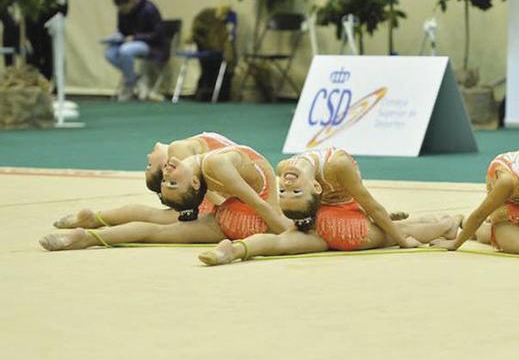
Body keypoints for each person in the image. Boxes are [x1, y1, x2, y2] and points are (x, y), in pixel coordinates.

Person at [197, 147, 451, 266]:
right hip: (330, 225)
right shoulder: (302, 167)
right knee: (281, 244)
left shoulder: (331, 165)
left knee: (402, 227)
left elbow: (371, 207)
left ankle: (450, 222)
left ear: (318, 188)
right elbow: (373, 210)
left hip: (351, 222)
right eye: (287, 191)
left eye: (291, 191)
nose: (286, 184)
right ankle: (231, 252)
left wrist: (400, 239)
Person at [39, 145, 290, 251]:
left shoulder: (206, 163)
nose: (166, 174)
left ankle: (93, 228)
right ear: (194, 183)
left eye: (167, 181)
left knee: (158, 226)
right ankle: (87, 237)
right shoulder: (208, 164)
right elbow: (257, 202)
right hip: (241, 220)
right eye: (170, 182)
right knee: (155, 229)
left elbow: (254, 203)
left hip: (238, 220)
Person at [51, 132, 237, 229]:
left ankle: (98, 219)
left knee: (156, 218)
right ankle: (97, 220)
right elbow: (212, 192)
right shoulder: (179, 152)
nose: (149, 154)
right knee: (156, 219)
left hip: (220, 197)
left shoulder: (181, 149)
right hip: (221, 201)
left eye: (148, 165)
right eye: (149, 165)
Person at [103, 0, 168, 101]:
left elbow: (158, 34)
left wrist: (136, 37)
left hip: (151, 45)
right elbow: (122, 31)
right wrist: (116, 37)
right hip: (128, 42)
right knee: (109, 54)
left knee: (125, 51)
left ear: (131, 1)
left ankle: (129, 83)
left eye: (124, 8)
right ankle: (135, 79)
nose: (122, 11)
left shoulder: (149, 8)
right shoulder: (122, 12)